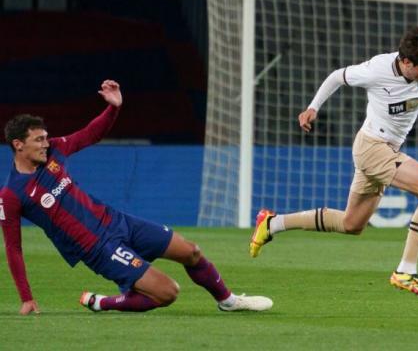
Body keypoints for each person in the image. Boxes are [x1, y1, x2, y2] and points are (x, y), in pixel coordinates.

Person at [248, 26, 418, 298]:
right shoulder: (376, 69)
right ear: (406, 62)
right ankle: (406, 270)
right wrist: (313, 107)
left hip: (382, 148)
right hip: (373, 147)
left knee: (352, 224)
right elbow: (337, 77)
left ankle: (273, 223)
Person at [0, 80, 273, 314]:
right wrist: (26, 298)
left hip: (117, 221)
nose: (45, 143)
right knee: (168, 292)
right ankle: (105, 303)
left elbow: (89, 135)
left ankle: (228, 301)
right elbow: (14, 248)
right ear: (18, 145)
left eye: (46, 137)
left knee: (191, 251)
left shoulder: (54, 151)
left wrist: (113, 108)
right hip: (98, 248)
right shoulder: (12, 194)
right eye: (39, 140)